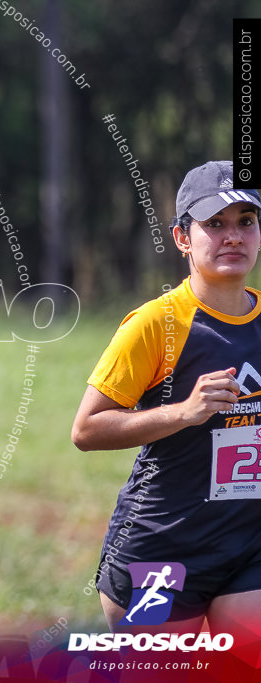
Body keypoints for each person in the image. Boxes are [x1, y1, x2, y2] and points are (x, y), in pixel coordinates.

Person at [72, 160, 261, 638]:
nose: (233, 237)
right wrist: (183, 412)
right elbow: (87, 430)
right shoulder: (156, 325)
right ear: (182, 238)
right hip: (162, 549)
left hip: (248, 547)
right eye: (214, 224)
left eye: (246, 222)